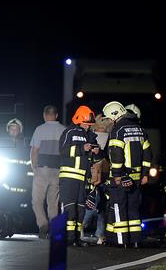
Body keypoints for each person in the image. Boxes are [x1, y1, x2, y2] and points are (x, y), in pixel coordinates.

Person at [103, 101, 152, 248]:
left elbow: (116, 156)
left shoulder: (118, 130)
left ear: (114, 116)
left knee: (119, 208)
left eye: (109, 119)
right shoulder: (140, 129)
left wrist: (118, 174)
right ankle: (136, 240)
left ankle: (122, 241)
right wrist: (144, 174)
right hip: (137, 177)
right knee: (134, 208)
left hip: (122, 178)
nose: (109, 122)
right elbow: (148, 154)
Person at [59, 105, 98, 246]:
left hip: (83, 178)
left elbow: (97, 157)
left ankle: (76, 237)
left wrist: (96, 151)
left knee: (81, 209)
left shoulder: (90, 135)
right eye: (86, 124)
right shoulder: (69, 132)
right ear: (79, 120)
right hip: (69, 177)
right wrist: (82, 148)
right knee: (70, 208)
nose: (88, 127)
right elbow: (62, 151)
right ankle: (69, 238)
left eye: (90, 125)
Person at [29, 105, 66, 238]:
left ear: (44, 115)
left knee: (37, 200)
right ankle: (54, 228)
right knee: (53, 202)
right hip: (58, 171)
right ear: (56, 115)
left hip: (42, 170)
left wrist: (34, 167)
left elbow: (34, 150)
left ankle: (43, 223)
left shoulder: (40, 129)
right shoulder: (64, 130)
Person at [82, 114, 111, 244]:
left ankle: (84, 228)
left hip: (92, 175)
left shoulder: (91, 135)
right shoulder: (109, 137)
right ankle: (99, 233)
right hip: (103, 175)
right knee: (99, 206)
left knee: (92, 203)